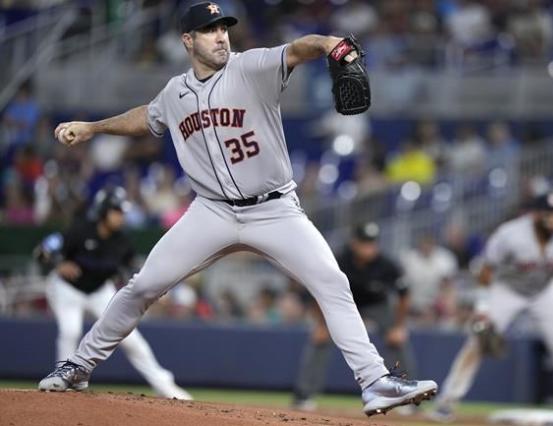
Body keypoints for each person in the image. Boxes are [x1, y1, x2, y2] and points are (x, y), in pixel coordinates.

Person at [38, 2, 436, 416]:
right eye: (209, 29)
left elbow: (301, 48)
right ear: (188, 40)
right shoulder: (176, 92)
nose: (221, 35)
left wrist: (331, 43)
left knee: (332, 281)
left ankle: (374, 382)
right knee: (142, 287)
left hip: (274, 209)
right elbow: (149, 117)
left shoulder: (252, 67)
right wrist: (93, 127)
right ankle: (78, 366)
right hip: (211, 212)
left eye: (223, 27)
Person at [428, 193, 553, 425]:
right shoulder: (511, 234)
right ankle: (447, 402)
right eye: (548, 214)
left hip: (545, 291)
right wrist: (484, 307)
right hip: (507, 289)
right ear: (535, 214)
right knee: (478, 340)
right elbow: (486, 271)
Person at [35, 187, 191, 400]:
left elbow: (134, 272)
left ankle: (166, 386)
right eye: (116, 211)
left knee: (132, 339)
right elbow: (42, 251)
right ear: (103, 211)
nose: (121, 216)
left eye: (122, 212)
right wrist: (58, 263)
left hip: (100, 290)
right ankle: (64, 381)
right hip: (67, 288)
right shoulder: (79, 230)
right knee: (70, 330)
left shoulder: (122, 242)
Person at [292, 222, 417, 410]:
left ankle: (409, 398)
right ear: (354, 243)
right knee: (319, 340)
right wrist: (320, 324)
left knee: (398, 341)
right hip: (342, 304)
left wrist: (398, 327)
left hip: (377, 304)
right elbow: (319, 289)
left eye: (372, 243)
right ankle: (304, 395)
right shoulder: (339, 260)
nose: (369, 248)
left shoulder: (387, 264)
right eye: (364, 242)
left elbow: (404, 295)